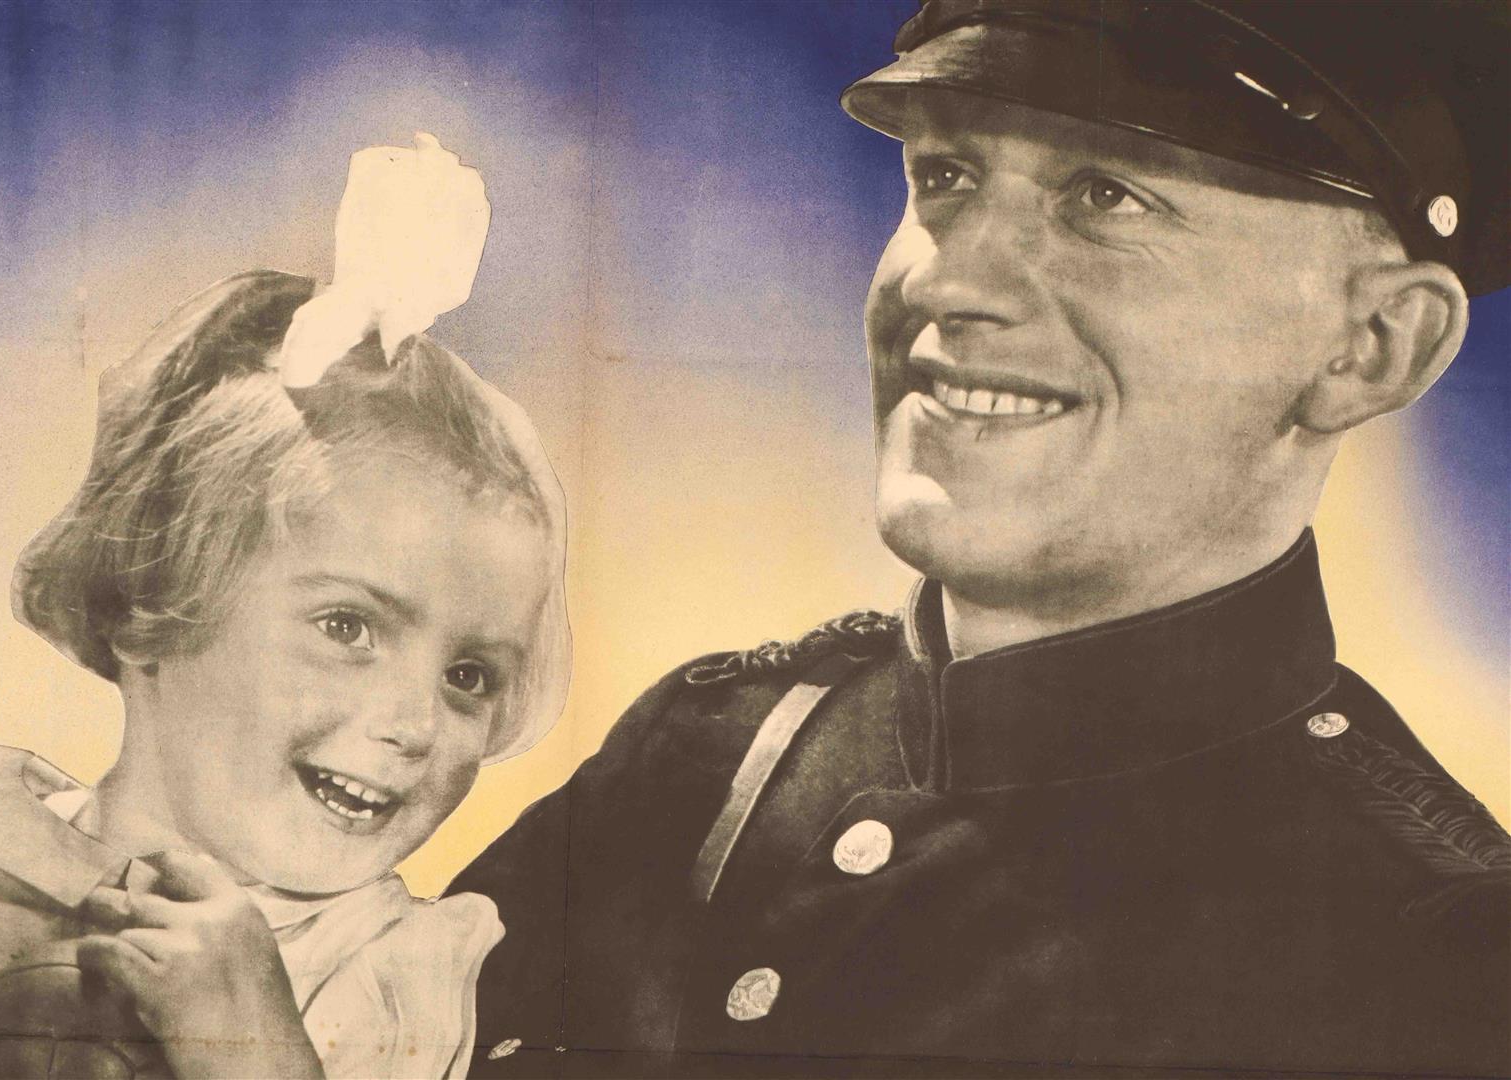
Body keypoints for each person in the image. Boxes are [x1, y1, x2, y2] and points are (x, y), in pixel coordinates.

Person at [451, 2, 1510, 1076]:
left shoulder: (1433, 960)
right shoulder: (707, 758)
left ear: (1373, 344)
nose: (945, 283)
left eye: (1104, 196)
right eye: (945, 176)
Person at [0, 136, 569, 1079]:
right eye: (348, 628)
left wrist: (254, 1048)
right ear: (154, 599)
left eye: (469, 676)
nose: (417, 727)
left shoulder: (401, 981)